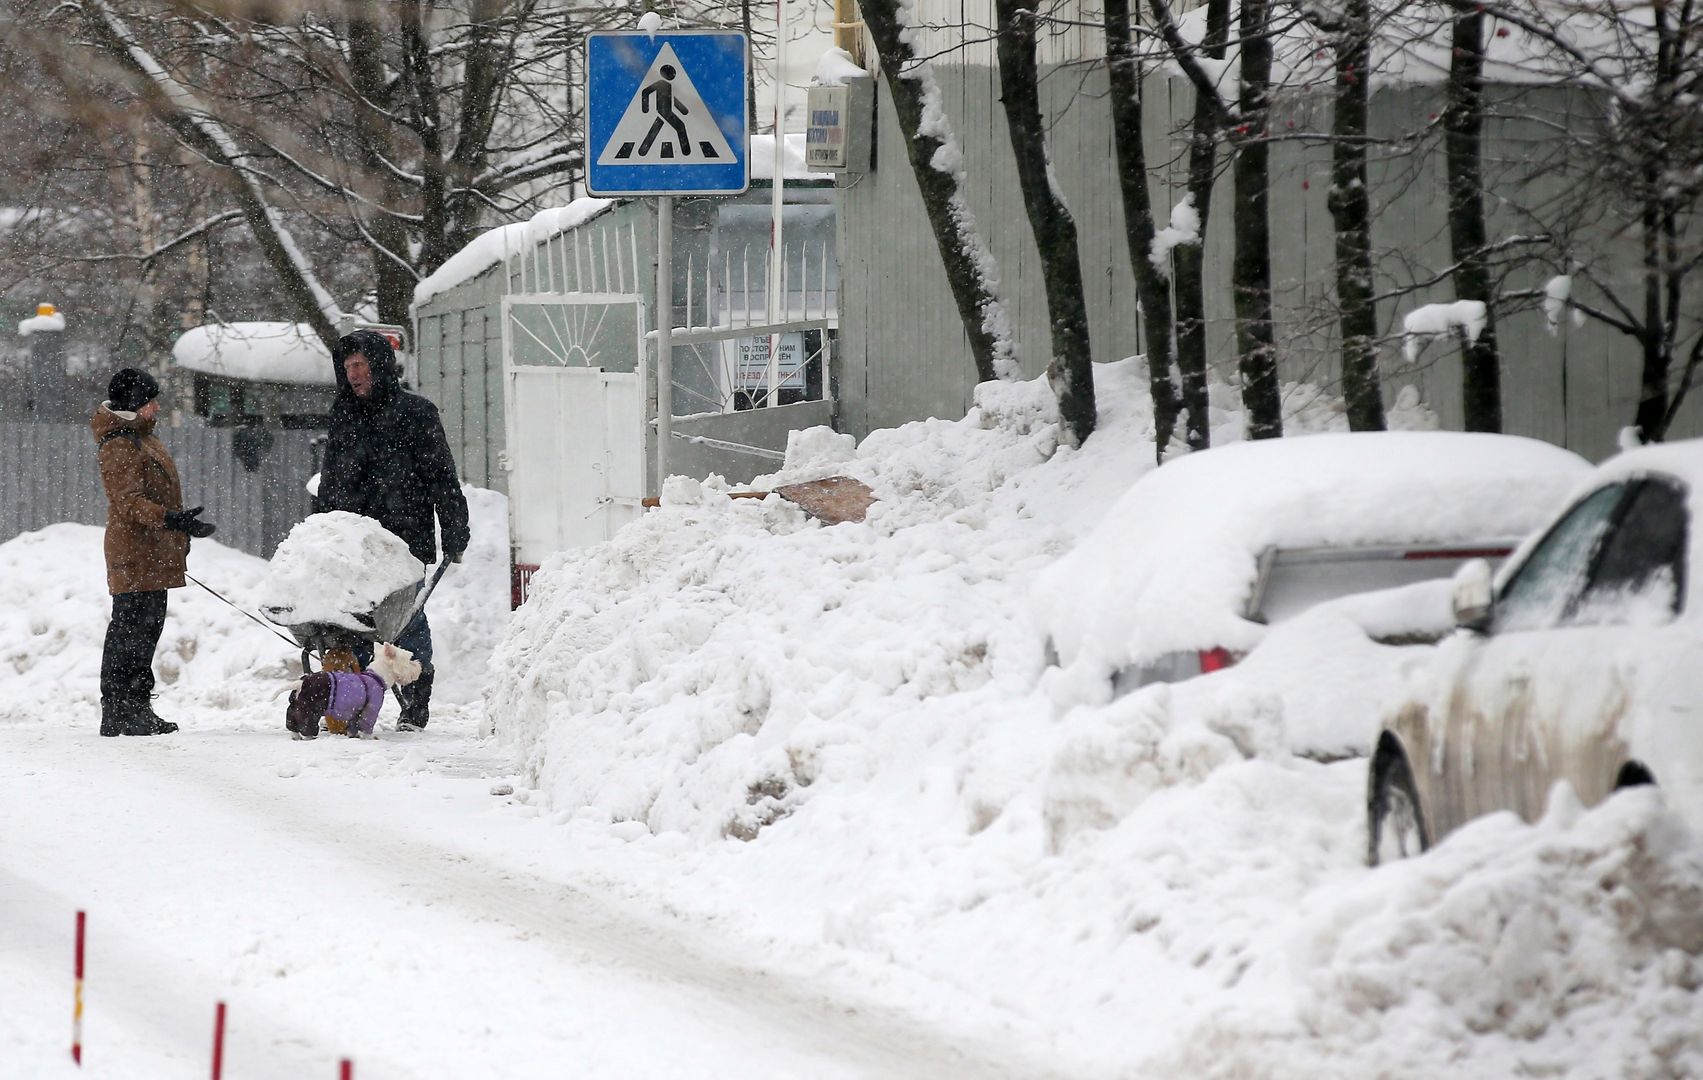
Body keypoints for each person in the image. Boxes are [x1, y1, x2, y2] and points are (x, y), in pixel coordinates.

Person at [314, 330, 469, 731]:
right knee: (352, 619)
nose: (354, 373)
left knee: (404, 621)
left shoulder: (416, 413)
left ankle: (417, 696)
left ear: (380, 365)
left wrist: (455, 525)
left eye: (361, 364)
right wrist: (320, 527)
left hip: (403, 538)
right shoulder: (343, 414)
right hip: (353, 540)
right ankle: (353, 694)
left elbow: (441, 475)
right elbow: (331, 478)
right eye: (348, 366)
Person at [92, 367, 217, 737]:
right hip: (135, 553)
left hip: (152, 552)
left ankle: (132, 707)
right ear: (134, 404)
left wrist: (178, 526)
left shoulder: (139, 437)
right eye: (150, 402)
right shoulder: (119, 442)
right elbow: (129, 502)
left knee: (145, 629)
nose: (157, 408)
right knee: (131, 630)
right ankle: (121, 709)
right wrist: (171, 519)